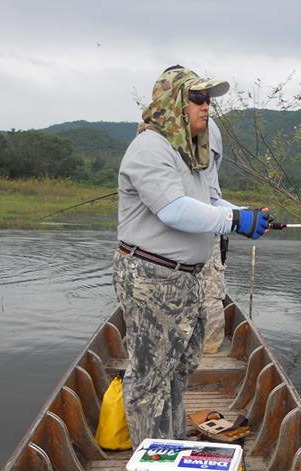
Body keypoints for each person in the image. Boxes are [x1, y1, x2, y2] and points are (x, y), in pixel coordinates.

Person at [114, 65, 271, 445]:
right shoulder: (150, 148)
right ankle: (151, 460)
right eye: (198, 99)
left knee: (180, 367)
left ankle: (168, 440)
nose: (207, 107)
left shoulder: (195, 151)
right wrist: (233, 220)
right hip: (151, 278)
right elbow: (174, 210)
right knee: (150, 378)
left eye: (209, 100)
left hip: (189, 277)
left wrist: (243, 213)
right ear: (174, 105)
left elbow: (210, 201)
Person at [203, 118, 230, 355]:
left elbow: (209, 196)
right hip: (206, 226)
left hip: (208, 223)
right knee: (210, 288)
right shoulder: (207, 126)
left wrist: (241, 216)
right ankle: (209, 346)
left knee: (209, 288)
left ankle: (209, 346)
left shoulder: (206, 126)